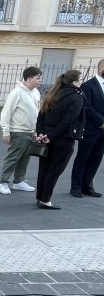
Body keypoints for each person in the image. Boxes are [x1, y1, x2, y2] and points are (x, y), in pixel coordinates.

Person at [35, 70, 85, 210]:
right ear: (74, 82)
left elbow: (41, 117)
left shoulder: (52, 94)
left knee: (44, 169)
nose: (81, 82)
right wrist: (50, 136)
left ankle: (40, 197)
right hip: (63, 139)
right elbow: (68, 121)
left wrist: (42, 134)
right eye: (80, 79)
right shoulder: (77, 97)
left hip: (46, 137)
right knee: (55, 170)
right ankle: (45, 200)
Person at [0, 66, 42, 195]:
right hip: (18, 130)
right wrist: (6, 131)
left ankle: (18, 182)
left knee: (25, 158)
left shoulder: (36, 92)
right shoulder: (16, 92)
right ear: (29, 79)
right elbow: (6, 112)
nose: (40, 81)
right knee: (13, 157)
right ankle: (3, 182)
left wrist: (35, 131)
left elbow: (36, 112)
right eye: (37, 78)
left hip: (30, 131)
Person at [70, 59, 104, 198]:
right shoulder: (87, 85)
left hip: (103, 132)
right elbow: (86, 106)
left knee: (96, 159)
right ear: (101, 67)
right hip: (90, 129)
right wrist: (101, 121)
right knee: (83, 157)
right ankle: (76, 187)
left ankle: (87, 186)